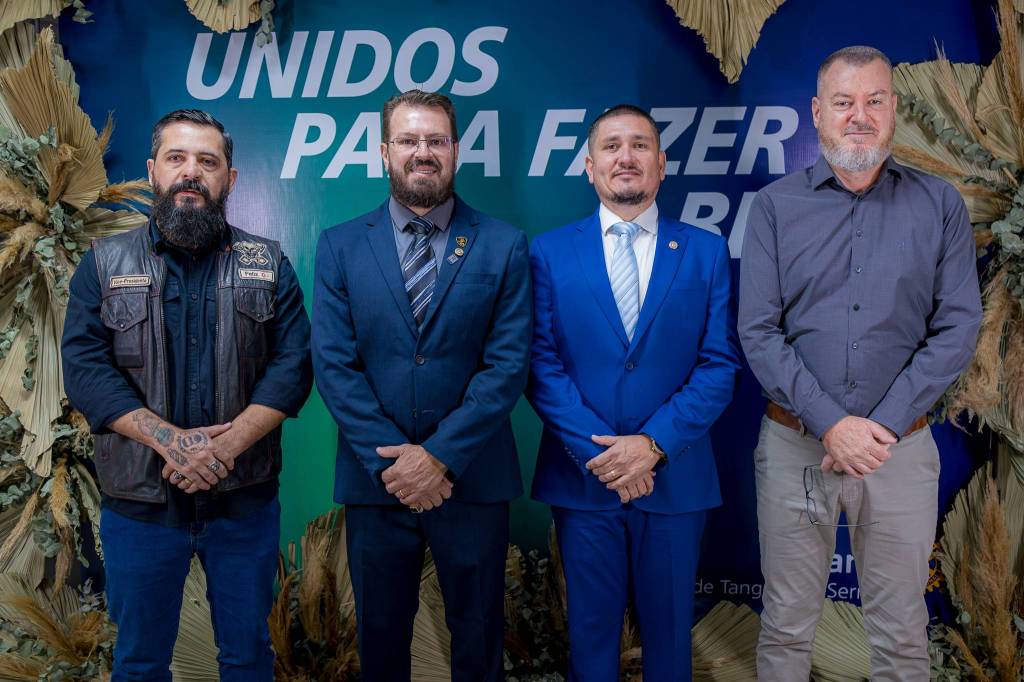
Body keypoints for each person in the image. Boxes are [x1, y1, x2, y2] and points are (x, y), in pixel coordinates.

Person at [739, 46, 982, 681]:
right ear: (817, 113)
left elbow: (958, 326)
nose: (860, 116)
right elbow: (758, 331)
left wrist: (880, 426)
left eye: (874, 101)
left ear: (893, 109)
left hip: (899, 452)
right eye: (844, 102)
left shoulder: (939, 205)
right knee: (786, 627)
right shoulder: (774, 207)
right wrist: (832, 425)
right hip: (795, 448)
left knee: (901, 633)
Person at [61, 109, 312, 681]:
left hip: (242, 505)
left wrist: (223, 449)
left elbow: (293, 366)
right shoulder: (104, 264)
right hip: (141, 507)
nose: (191, 172)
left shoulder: (268, 264)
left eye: (207, 161)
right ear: (154, 171)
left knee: (248, 658)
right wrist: (171, 442)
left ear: (230, 178)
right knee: (140, 663)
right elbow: (86, 369)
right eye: (177, 158)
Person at [311, 89, 531, 682]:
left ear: (455, 150)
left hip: (472, 478)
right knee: (380, 647)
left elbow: (507, 365)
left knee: (479, 643)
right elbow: (334, 366)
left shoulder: (503, 244)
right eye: (408, 140)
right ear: (385, 151)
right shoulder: (339, 245)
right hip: (376, 482)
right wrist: (397, 464)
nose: (423, 151)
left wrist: (438, 457)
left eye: (436, 140)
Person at [527, 104, 740, 681]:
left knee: (670, 644)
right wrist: (604, 455)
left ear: (661, 164)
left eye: (640, 145)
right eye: (612, 146)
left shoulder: (704, 251)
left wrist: (652, 446)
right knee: (590, 640)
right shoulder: (548, 252)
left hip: (674, 479)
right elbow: (539, 364)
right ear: (589, 166)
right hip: (585, 480)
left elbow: (719, 365)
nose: (626, 157)